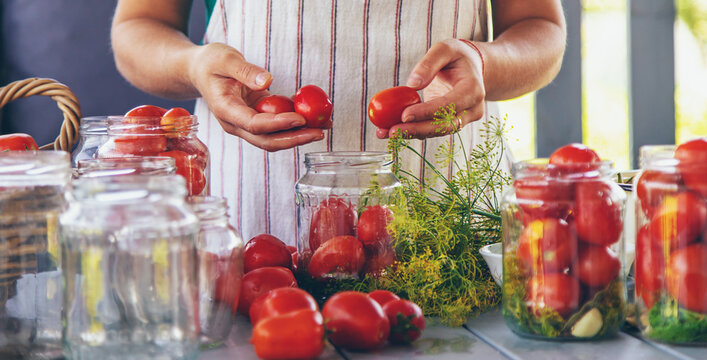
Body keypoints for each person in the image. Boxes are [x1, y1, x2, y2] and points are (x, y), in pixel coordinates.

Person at [111, 0, 566, 245]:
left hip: (448, 213)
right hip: (252, 225)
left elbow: (540, 26)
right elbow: (138, 25)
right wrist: (193, 66)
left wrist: (486, 63)